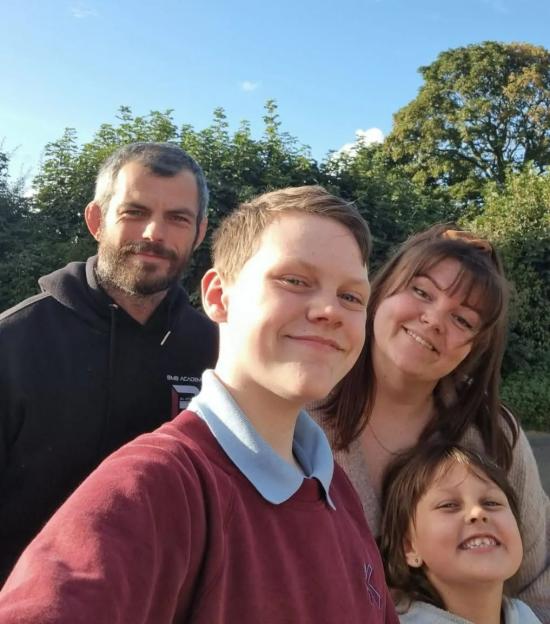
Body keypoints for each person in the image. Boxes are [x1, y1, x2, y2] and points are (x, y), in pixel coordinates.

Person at [0, 185, 398, 623]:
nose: (330, 310)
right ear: (217, 296)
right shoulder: (152, 488)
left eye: (352, 296)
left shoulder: (336, 489)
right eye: (295, 281)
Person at [0, 142, 218, 583]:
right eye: (134, 212)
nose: (155, 233)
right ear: (97, 220)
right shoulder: (14, 341)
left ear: (199, 232)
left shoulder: (220, 352)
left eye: (178, 218)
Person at [318, 225, 550, 619]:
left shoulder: (493, 433)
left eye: (463, 320)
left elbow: (537, 582)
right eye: (421, 292)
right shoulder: (300, 411)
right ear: (383, 288)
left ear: (476, 347)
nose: (435, 319)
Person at [379, 443, 541, 623]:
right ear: (409, 547)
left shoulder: (525, 615)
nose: (478, 513)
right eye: (449, 505)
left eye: (491, 503)